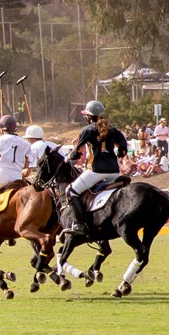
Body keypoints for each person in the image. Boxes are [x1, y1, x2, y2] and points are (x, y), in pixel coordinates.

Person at [62, 101, 129, 236]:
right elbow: (123, 150)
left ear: (89, 117)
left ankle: (79, 224)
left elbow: (77, 153)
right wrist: (117, 155)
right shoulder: (114, 130)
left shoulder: (87, 131)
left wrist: (68, 158)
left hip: (96, 171)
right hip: (114, 172)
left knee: (70, 192)